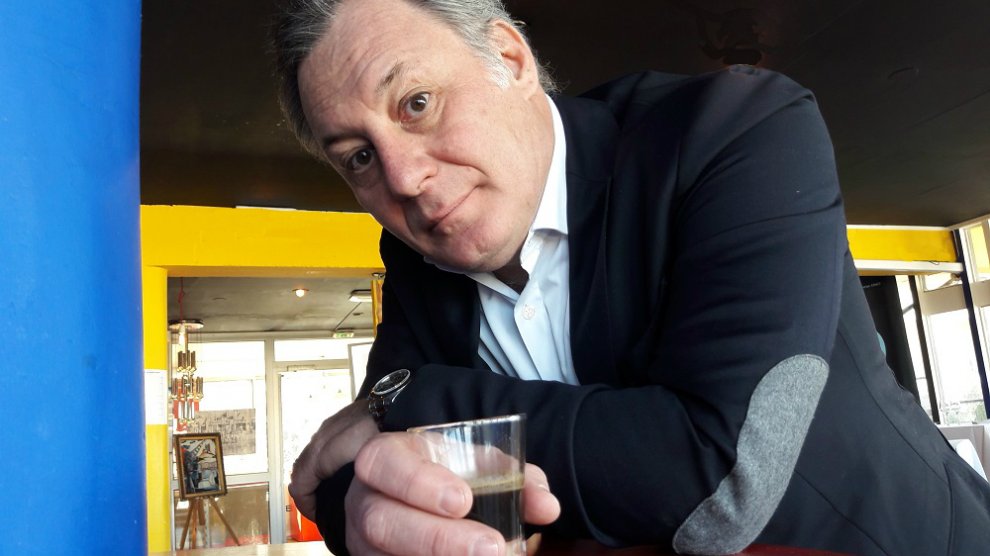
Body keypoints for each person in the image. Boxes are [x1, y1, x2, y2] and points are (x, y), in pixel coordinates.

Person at [271, 1, 990, 554]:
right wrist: (365, 515)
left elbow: (720, 482)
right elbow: (341, 473)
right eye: (358, 156)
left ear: (510, 58)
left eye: (417, 103)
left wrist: (413, 400)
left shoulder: (735, 130)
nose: (404, 177)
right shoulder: (415, 257)